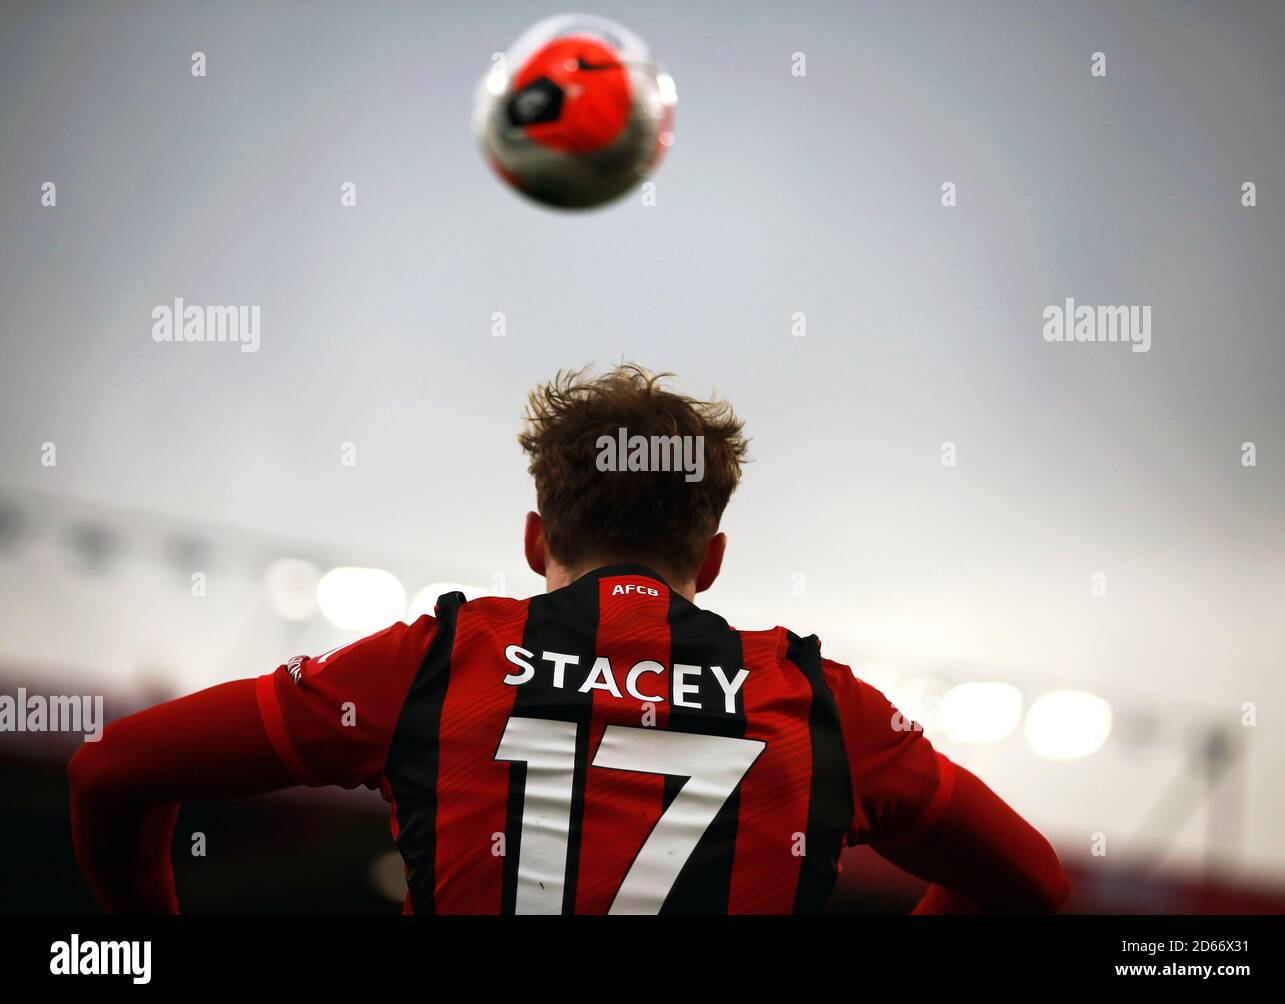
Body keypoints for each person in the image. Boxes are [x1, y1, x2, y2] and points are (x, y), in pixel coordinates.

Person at [70, 364, 1068, 915]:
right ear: (710, 557)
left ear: (536, 537)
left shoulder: (431, 661)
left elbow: (110, 767)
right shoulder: (825, 708)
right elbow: (1032, 880)